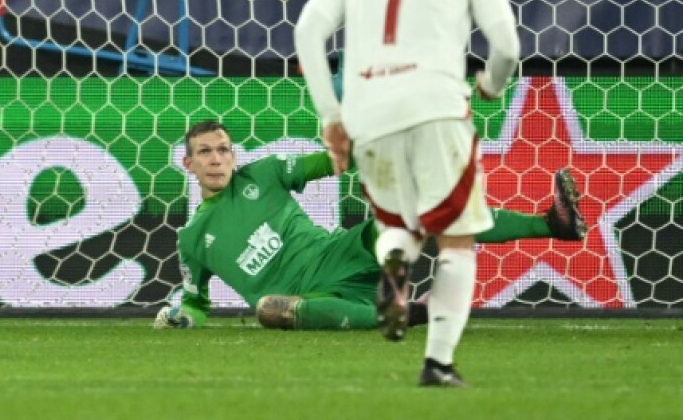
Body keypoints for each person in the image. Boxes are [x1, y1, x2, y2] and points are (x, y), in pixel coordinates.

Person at [293, 0, 521, 387]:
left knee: (398, 225)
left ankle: (394, 262)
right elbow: (506, 46)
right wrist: (490, 85)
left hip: (371, 112)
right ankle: (438, 362)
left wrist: (331, 115)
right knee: (456, 241)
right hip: (438, 107)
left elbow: (308, 31)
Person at [155, 120, 585, 331]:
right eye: (206, 152)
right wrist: (183, 318)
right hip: (310, 298)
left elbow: (334, 159)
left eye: (224, 150)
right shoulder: (192, 239)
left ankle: (551, 224)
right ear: (187, 163)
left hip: (342, 254)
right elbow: (196, 302)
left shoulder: (263, 174)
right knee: (269, 309)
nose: (216, 159)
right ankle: (409, 313)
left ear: (234, 155)